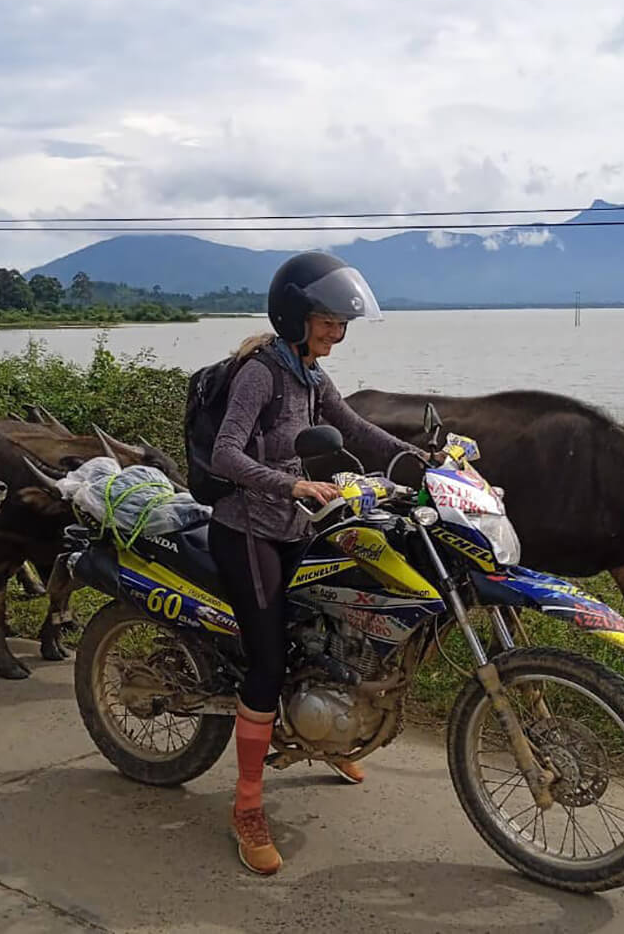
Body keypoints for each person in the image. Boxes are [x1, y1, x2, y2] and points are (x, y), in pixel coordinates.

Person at [207, 249, 427, 876]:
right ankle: (247, 805)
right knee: (270, 659)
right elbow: (225, 454)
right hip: (248, 528)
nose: (339, 331)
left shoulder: (309, 374)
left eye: (342, 322)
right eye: (330, 320)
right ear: (298, 317)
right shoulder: (261, 374)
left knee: (333, 624)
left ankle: (319, 731)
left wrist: (426, 463)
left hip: (296, 524)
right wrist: (291, 486)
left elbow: (357, 432)